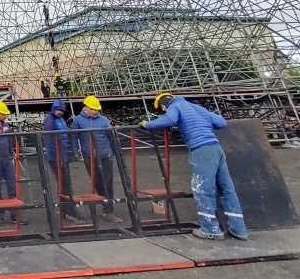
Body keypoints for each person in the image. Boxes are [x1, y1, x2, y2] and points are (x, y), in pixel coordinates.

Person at [141, 93, 247, 241]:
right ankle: (239, 229)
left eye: (163, 109)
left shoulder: (174, 106)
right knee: (226, 188)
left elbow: (170, 119)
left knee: (203, 189)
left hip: (201, 150)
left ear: (164, 105)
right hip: (216, 148)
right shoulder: (196, 107)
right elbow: (221, 122)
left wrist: (148, 124)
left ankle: (210, 229)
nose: (164, 110)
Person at [71, 96, 122, 223]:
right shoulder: (78, 121)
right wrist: (75, 151)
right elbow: (73, 136)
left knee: (108, 182)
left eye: (96, 109)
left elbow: (111, 137)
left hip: (105, 155)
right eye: (92, 109)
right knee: (98, 182)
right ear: (86, 107)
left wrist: (116, 152)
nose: (95, 111)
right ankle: (104, 203)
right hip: (90, 156)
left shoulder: (103, 120)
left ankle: (109, 210)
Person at [42, 100, 82, 223]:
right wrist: (59, 158)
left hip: (62, 156)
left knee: (66, 184)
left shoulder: (59, 120)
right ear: (54, 109)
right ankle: (67, 211)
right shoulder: (50, 120)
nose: (60, 112)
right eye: (59, 110)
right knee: (64, 185)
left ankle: (68, 209)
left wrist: (68, 154)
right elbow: (51, 141)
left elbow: (64, 138)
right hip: (56, 157)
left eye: (62, 110)